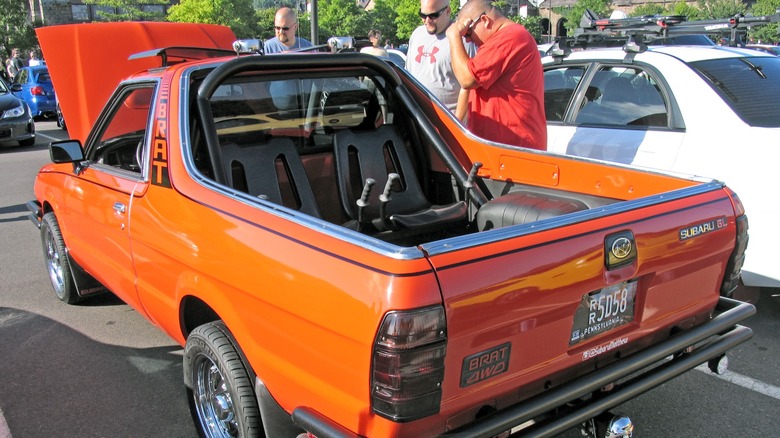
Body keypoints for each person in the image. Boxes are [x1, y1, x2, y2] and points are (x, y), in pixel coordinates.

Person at [446, 0, 546, 150]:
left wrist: (454, 36)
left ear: (485, 21)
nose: (466, 39)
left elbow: (467, 79)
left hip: (513, 149)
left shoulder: (510, 37)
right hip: (500, 149)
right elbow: (468, 86)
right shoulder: (502, 40)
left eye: (467, 32)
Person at [406, 0, 475, 119]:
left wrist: (456, 125)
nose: (427, 20)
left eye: (433, 15)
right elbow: (408, 74)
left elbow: (469, 87)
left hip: (445, 123)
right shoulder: (417, 34)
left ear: (448, 11)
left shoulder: (463, 39)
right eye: (423, 15)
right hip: (417, 118)